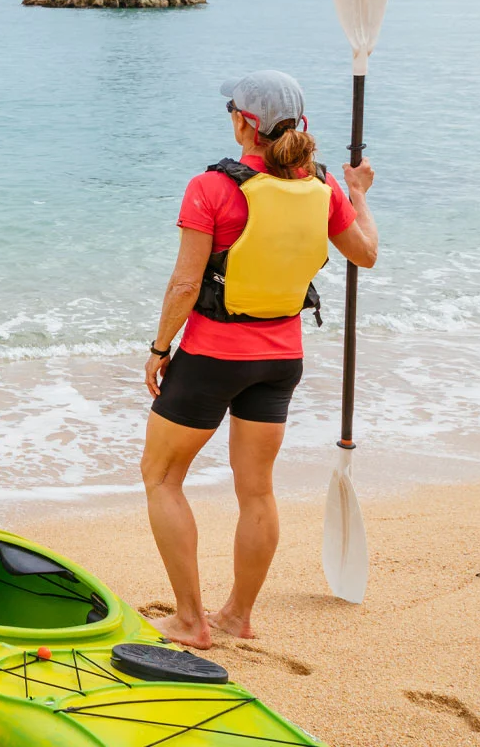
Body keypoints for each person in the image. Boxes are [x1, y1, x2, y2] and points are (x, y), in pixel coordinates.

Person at [140, 70, 377, 649]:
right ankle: (237, 617)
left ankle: (191, 621)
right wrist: (360, 193)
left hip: (211, 356)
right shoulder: (324, 188)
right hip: (281, 360)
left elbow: (184, 284)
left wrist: (159, 347)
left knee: (163, 476)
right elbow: (365, 255)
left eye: (231, 107)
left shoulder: (211, 187)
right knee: (257, 490)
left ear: (246, 122)